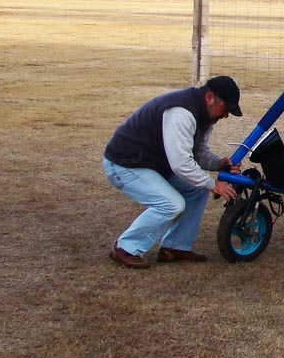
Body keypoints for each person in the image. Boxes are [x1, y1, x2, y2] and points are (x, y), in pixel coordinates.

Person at [103, 76, 242, 268]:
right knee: (171, 204)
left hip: (152, 164)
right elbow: (181, 164)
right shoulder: (181, 113)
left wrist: (218, 164)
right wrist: (214, 184)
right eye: (225, 109)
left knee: (197, 189)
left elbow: (197, 152)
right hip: (125, 164)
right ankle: (125, 248)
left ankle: (175, 247)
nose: (226, 115)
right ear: (210, 98)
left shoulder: (205, 115)